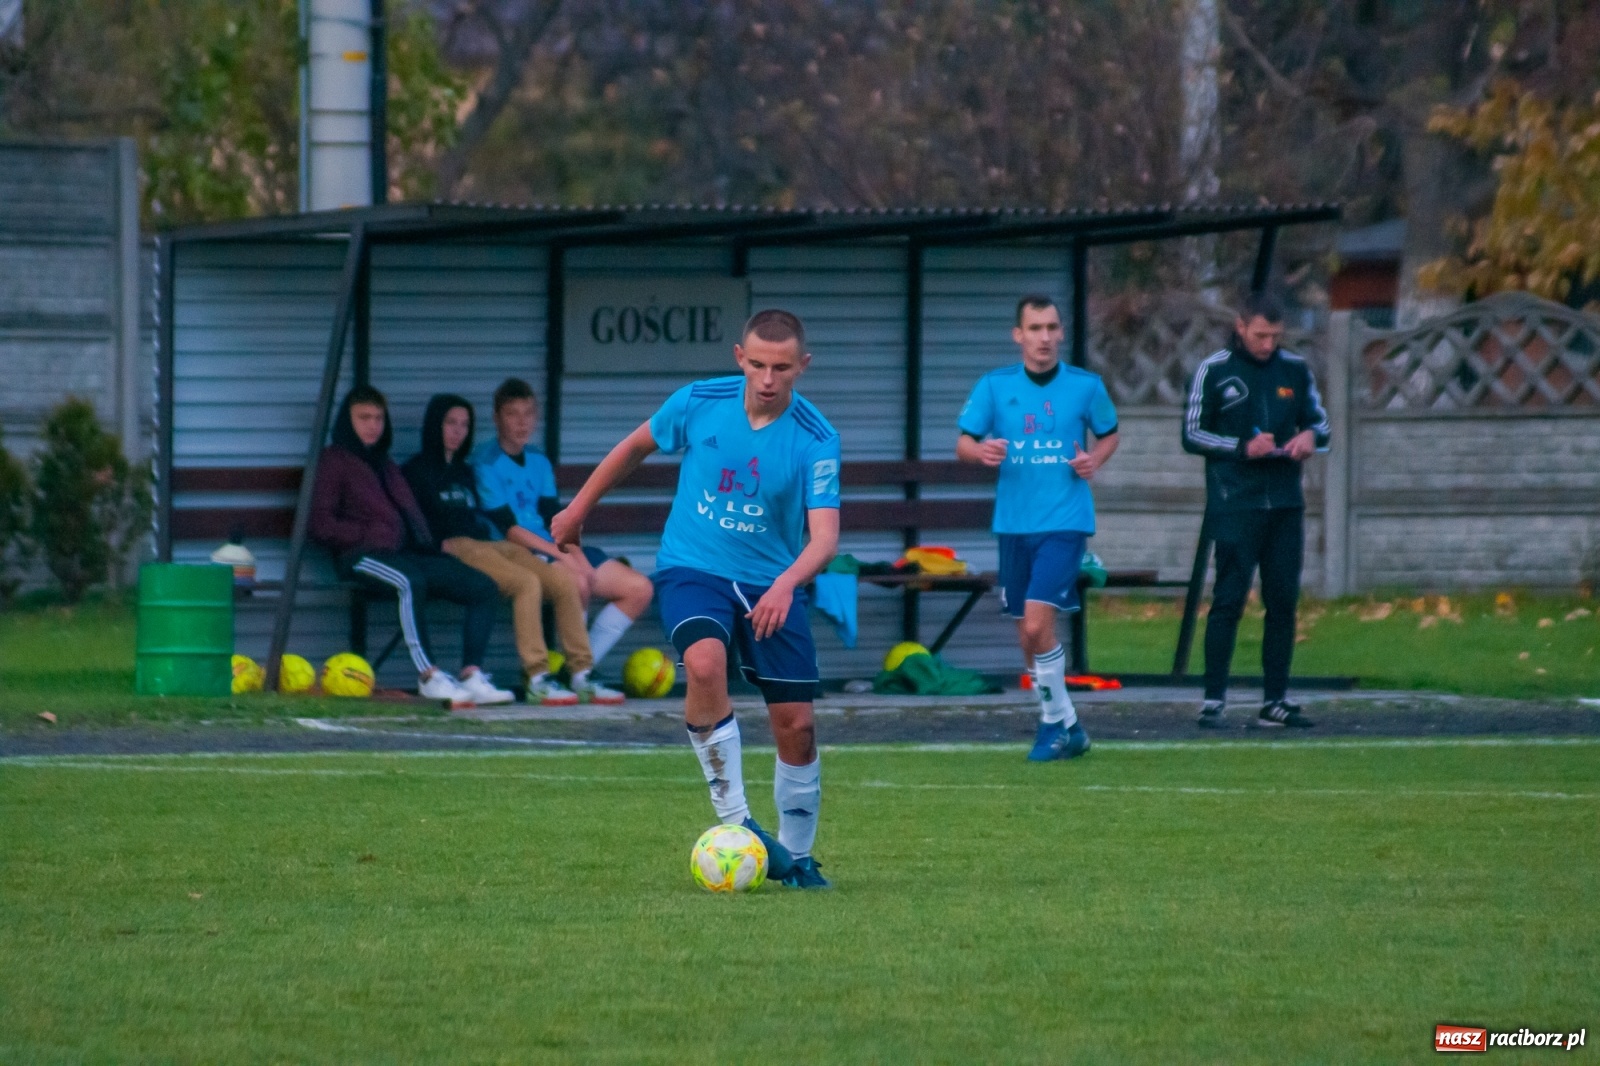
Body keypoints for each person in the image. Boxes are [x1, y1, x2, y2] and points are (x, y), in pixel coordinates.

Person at [551, 309, 840, 889]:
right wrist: (579, 508)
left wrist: (785, 584)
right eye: (756, 364)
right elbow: (633, 448)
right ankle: (740, 822)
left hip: (769, 585)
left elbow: (826, 537)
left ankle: (800, 858)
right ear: (740, 357)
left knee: (798, 727)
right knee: (704, 664)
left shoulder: (816, 438)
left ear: (801, 367)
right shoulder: (699, 401)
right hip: (694, 568)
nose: (766, 378)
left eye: (780, 368)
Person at [956, 294, 1120, 761]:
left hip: (1065, 521)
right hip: (1013, 523)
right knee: (1027, 634)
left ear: (1061, 333)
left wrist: (1095, 459)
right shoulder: (995, 386)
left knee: (1036, 622)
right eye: (1034, 328)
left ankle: (1052, 727)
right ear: (1018, 335)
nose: (1044, 337)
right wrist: (980, 452)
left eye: (1051, 328)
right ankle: (1067, 722)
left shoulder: (1085, 387)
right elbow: (964, 442)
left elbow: (1109, 433)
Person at [401, 394, 616, 706]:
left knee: (562, 581)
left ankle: (582, 673)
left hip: (492, 544)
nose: (457, 431)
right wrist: (434, 545)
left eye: (464, 424)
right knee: (525, 583)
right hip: (458, 547)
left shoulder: (465, 470)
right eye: (450, 423)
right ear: (435, 424)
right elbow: (411, 520)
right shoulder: (416, 471)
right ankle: (538, 677)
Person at [309, 385, 513, 706]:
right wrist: (366, 534)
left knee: (482, 586)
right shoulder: (334, 461)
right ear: (348, 421)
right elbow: (320, 525)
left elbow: (410, 515)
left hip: (404, 554)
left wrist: (429, 544)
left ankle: (472, 675)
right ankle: (429, 677)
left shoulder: (385, 463)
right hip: (361, 556)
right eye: (364, 418)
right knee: (409, 582)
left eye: (378, 418)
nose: (373, 425)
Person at [1182, 289, 1330, 729]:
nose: (1268, 345)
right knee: (1228, 599)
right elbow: (1192, 434)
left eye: (1275, 336)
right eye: (1260, 335)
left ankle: (1276, 700)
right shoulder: (1213, 370)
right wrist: (1241, 447)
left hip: (1285, 502)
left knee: (1283, 600)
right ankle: (1213, 699)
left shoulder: (1296, 370)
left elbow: (1320, 423)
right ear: (1240, 326)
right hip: (1235, 503)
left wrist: (1311, 439)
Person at [472, 379, 652, 699]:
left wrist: (577, 556)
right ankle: (582, 675)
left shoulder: (538, 461)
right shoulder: (485, 463)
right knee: (578, 583)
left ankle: (577, 670)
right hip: (521, 551)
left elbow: (555, 516)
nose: (522, 422)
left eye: (528, 413)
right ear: (497, 418)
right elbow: (509, 529)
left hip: (556, 544)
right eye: (512, 414)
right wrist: (563, 557)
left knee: (638, 588)